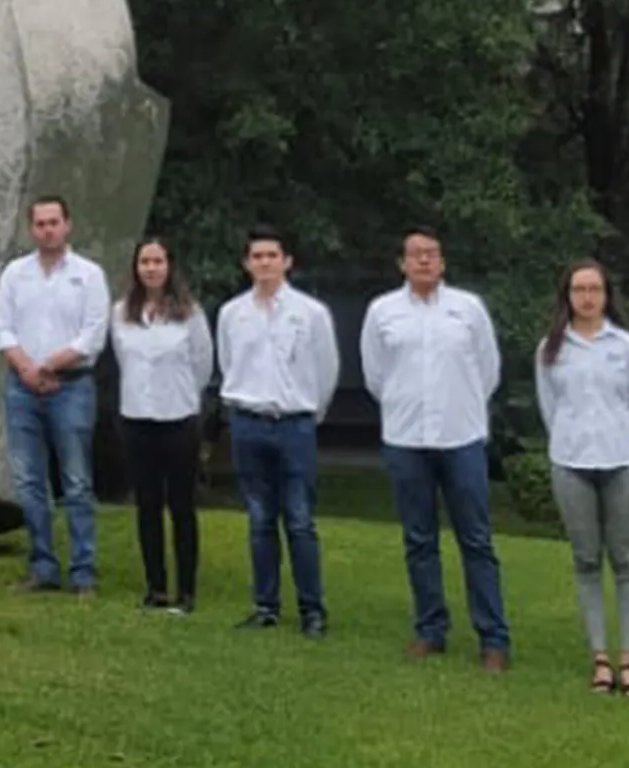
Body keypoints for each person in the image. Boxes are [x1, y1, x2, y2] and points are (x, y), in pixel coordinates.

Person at [359, 226, 510, 671]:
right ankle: (430, 630)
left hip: (460, 437)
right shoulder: (382, 311)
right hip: (406, 440)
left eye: (432, 253)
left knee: (476, 540)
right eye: (415, 254)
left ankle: (494, 638)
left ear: (443, 263)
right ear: (402, 264)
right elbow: (375, 377)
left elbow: (488, 371)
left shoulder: (468, 309)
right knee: (419, 539)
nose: (424, 260)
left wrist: (458, 405)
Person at [534, 260, 629, 697]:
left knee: (625, 559)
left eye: (595, 289)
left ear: (606, 295)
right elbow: (550, 407)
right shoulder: (551, 349)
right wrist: (569, 442)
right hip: (571, 463)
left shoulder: (626, 346)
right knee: (586, 560)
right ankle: (600, 658)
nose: (587, 297)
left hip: (621, 461)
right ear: (567, 296)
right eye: (579, 289)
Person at [215, 226, 337, 638]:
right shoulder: (232, 313)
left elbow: (326, 371)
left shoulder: (310, 313)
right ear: (247, 263)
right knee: (259, 518)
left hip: (294, 425)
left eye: (272, 255)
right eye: (257, 256)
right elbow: (227, 361)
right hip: (248, 423)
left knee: (300, 520)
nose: (265, 263)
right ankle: (266, 605)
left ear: (287, 261)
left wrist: (309, 414)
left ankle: (312, 610)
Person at [0, 196, 111, 596]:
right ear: (31, 230)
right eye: (40, 223)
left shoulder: (89, 275)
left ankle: (83, 571)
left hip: (71, 386)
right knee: (28, 482)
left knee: (76, 481)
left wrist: (50, 366)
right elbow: (1, 329)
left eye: (54, 222)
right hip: (22, 387)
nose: (47, 229)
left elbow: (93, 335)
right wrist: (28, 368)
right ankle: (42, 566)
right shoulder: (15, 273)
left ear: (68, 225)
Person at [110, 237, 213, 615]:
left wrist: (181, 396)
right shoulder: (121, 312)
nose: (151, 268)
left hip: (179, 419)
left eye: (157, 261)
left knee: (182, 506)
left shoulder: (190, 313)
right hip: (137, 418)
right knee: (147, 505)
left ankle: (186, 590)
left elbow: (202, 365)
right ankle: (155, 587)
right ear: (136, 268)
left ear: (169, 266)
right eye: (144, 262)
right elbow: (124, 359)